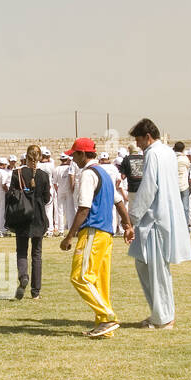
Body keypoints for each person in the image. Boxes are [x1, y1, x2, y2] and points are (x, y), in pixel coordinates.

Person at [60, 138, 133, 338]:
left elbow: (84, 208)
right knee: (99, 282)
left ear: (83, 154)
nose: (73, 159)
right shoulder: (105, 174)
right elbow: (119, 203)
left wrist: (69, 236)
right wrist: (127, 226)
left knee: (80, 277)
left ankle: (107, 317)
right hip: (106, 235)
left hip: (92, 231)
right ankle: (104, 326)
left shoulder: (88, 175)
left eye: (74, 155)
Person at [127, 118, 191, 329]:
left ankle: (163, 318)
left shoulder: (154, 153)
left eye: (138, 140)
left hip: (155, 218)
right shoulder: (166, 152)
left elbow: (148, 188)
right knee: (145, 264)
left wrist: (132, 217)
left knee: (156, 270)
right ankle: (160, 313)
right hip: (163, 215)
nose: (137, 145)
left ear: (147, 137)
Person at [7, 144, 50, 299]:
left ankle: (23, 276)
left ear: (26, 156)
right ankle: (35, 291)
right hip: (38, 216)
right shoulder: (44, 175)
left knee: (21, 252)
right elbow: (47, 198)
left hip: (22, 216)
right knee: (37, 254)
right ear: (38, 158)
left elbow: (11, 194)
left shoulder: (16, 173)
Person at [38, 148, 56, 235]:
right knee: (49, 210)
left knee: (41, 210)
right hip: (48, 189)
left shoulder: (38, 165)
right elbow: (54, 177)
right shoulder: (51, 165)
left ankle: (43, 228)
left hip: (39, 189)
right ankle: (50, 229)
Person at [173, 142, 190, 227]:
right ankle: (186, 226)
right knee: (185, 208)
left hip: (174, 186)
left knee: (175, 208)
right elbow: (188, 167)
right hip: (184, 185)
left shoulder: (171, 158)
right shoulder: (185, 159)